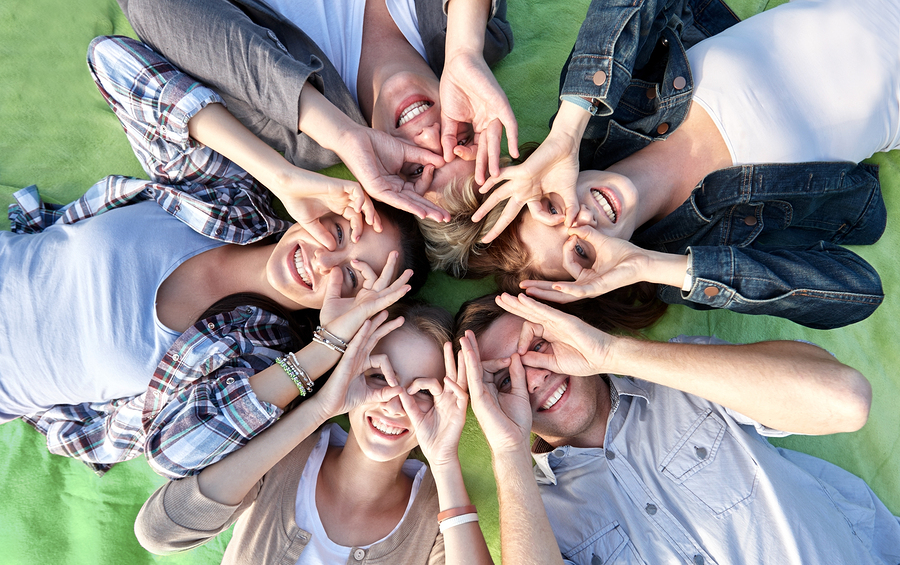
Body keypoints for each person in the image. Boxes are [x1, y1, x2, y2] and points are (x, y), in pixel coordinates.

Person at [0, 36, 430, 479]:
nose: (324, 262)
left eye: (354, 278)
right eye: (339, 233)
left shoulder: (262, 362)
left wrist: (326, 348)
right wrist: (280, 176)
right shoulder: (229, 200)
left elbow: (172, 452)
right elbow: (113, 60)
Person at [445, 0, 897, 329]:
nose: (580, 222)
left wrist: (566, 132)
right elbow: (857, 290)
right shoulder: (694, 258)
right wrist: (651, 267)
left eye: (551, 209)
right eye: (580, 251)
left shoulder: (606, 113)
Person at [454, 292, 900, 564]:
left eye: (537, 345)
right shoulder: (537, 518)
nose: (532, 376)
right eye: (503, 380)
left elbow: (845, 399)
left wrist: (609, 353)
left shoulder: (681, 375)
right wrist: (509, 452)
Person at [135, 302, 492, 564]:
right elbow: (160, 532)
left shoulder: (440, 517)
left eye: (424, 392)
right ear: (349, 373)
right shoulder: (284, 453)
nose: (396, 405)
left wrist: (444, 460)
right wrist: (321, 407)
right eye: (379, 377)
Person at [116, 0, 518, 220]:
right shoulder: (471, 38)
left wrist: (340, 132)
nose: (430, 135)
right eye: (460, 137)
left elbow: (151, 7)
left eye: (416, 168)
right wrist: (465, 50)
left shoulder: (301, 132)